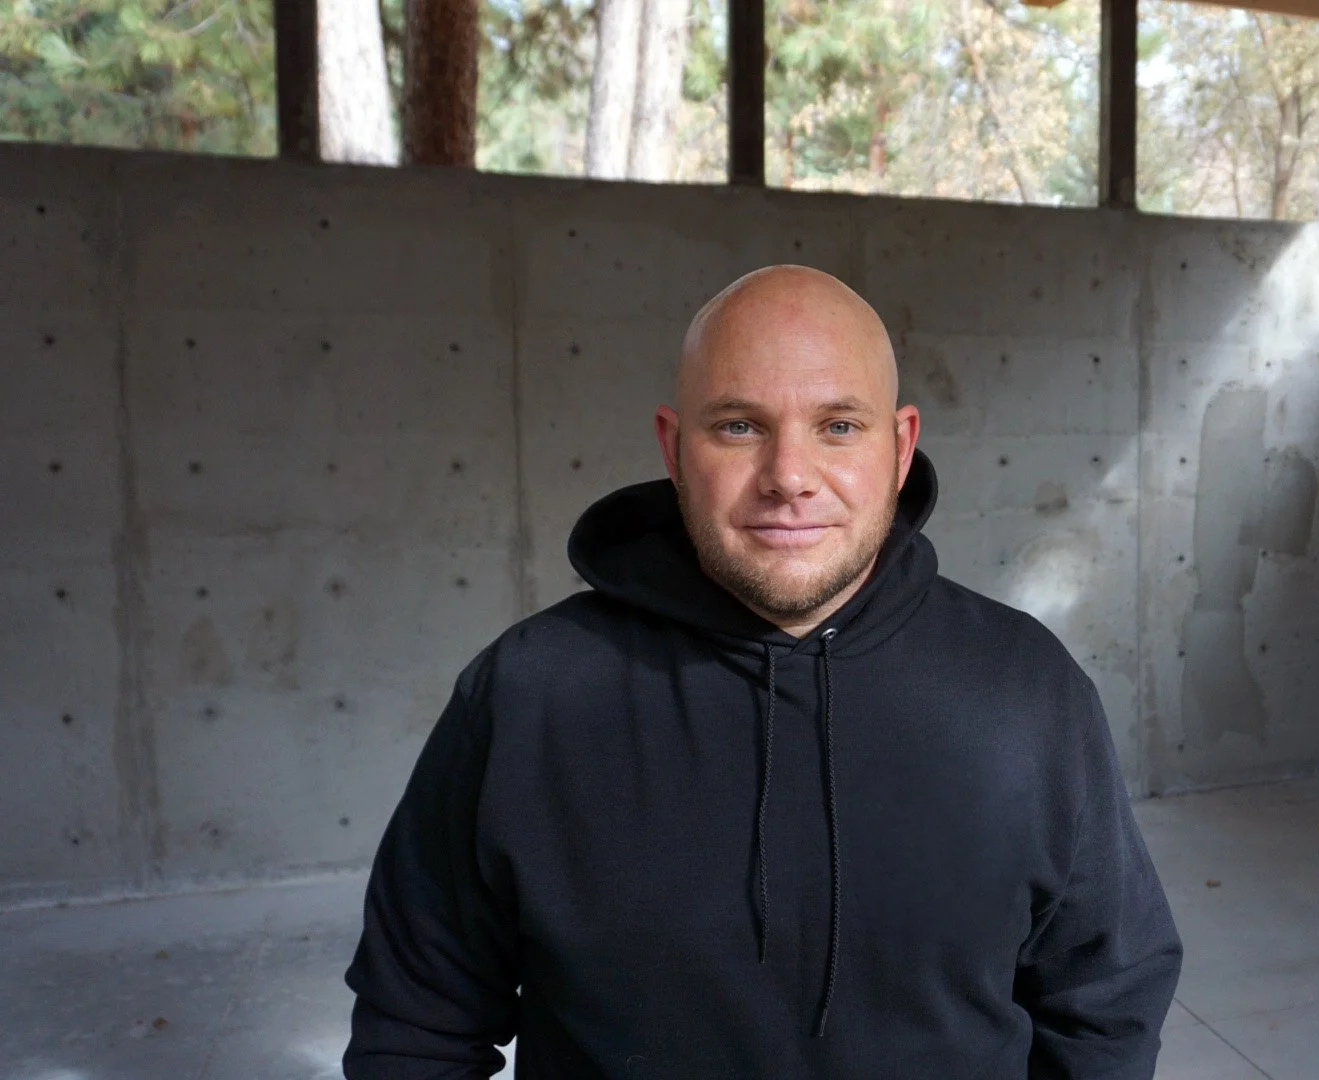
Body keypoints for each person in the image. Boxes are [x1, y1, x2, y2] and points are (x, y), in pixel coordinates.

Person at [342, 265, 1182, 1079]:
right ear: (675, 448)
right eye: (739, 425)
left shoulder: (1024, 689)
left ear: (899, 447)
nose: (788, 477)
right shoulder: (528, 694)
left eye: (838, 426)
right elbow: (414, 1022)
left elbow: (1105, 997)